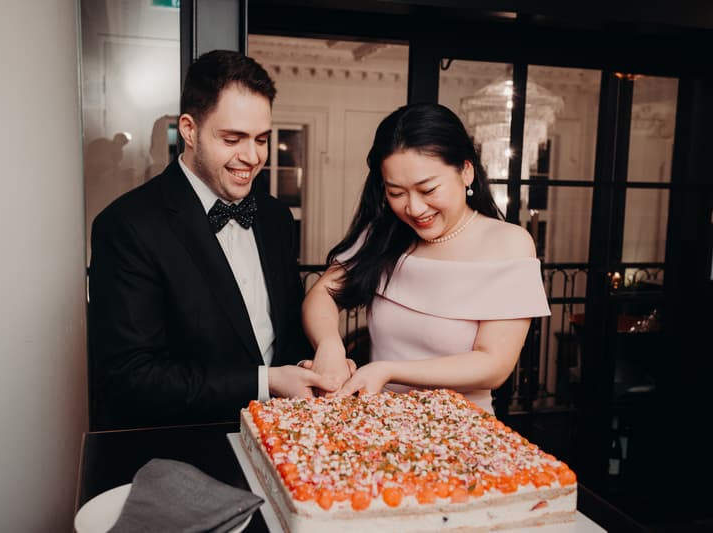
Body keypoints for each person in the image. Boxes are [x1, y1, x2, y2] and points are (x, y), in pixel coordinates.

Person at [88, 50, 339, 430]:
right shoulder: (128, 226)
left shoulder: (275, 218)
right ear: (189, 130)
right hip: (187, 447)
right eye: (233, 138)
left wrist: (315, 363)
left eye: (261, 139)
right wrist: (264, 382)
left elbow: (282, 331)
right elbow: (129, 380)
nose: (252, 157)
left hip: (282, 436)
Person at [302, 103, 551, 413]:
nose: (415, 208)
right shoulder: (384, 234)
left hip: (463, 431)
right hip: (380, 422)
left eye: (428, 189)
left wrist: (389, 370)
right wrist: (329, 345)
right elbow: (322, 294)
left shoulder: (508, 243)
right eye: (396, 193)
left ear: (466, 171)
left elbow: (494, 365)